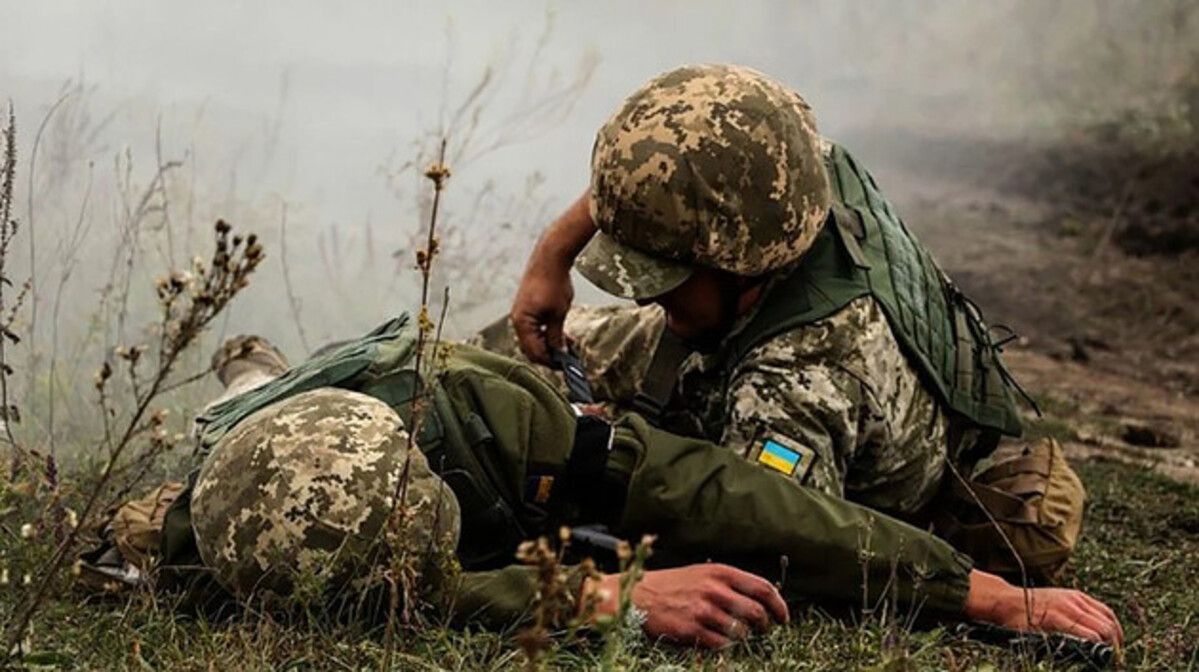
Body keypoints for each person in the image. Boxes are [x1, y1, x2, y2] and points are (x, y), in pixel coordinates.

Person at [136, 320, 1121, 650]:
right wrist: (596, 598)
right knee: (244, 389)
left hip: (435, 401)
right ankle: (249, 361)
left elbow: (723, 497)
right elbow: (424, 593)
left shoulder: (489, 417)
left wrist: (976, 591)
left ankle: (256, 356)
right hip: (260, 440)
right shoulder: (202, 544)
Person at [491, 63, 1085, 586]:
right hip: (742, 321)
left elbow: (761, 543)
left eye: (667, 276)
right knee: (508, 360)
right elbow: (664, 168)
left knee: (546, 433)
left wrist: (610, 445)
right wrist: (554, 255)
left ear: (739, 257)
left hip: (812, 430)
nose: (654, 298)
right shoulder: (783, 167)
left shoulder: (800, 381)